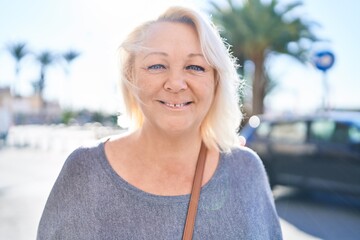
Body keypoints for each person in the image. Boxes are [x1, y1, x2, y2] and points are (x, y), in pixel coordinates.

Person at [37, 6, 282, 240]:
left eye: (195, 66)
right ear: (130, 76)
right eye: (157, 65)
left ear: (216, 81)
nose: (176, 83)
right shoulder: (84, 170)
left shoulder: (247, 170)